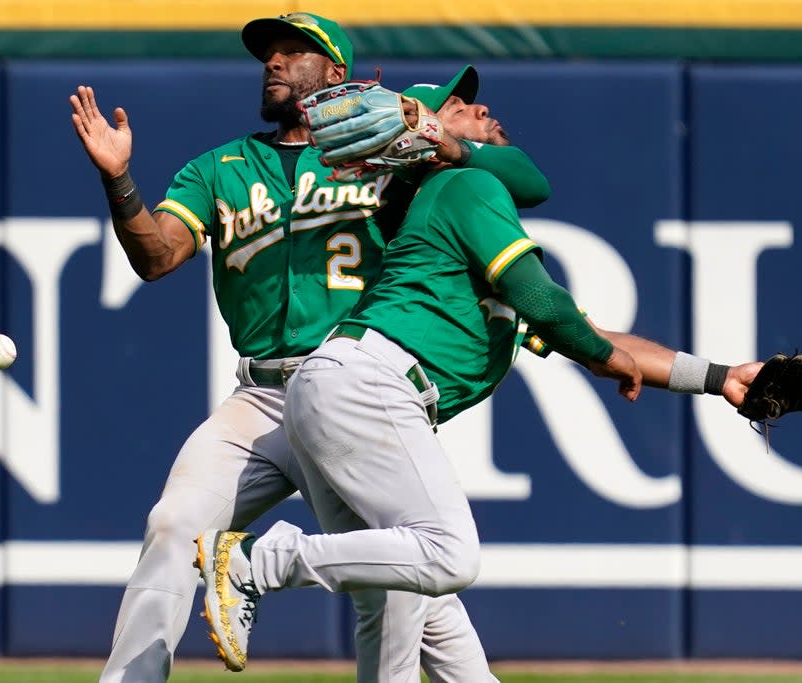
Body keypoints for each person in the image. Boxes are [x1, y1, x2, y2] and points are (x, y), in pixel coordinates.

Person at [194, 67, 766, 669]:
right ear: (420, 131)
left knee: (406, 602)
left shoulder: (440, 212)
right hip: (370, 383)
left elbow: (582, 330)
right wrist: (604, 357)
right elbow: (546, 302)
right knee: (449, 556)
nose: (481, 106)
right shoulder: (465, 188)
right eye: (460, 105)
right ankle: (257, 562)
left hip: (334, 385)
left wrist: (717, 377)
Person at [69, 12, 551, 683]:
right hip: (261, 398)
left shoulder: (387, 160)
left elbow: (521, 180)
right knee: (174, 525)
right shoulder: (223, 168)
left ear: (335, 74)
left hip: (357, 393)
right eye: (268, 52)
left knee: (405, 593)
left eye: (295, 51)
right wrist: (120, 181)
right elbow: (158, 255)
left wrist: (437, 139)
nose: (274, 61)